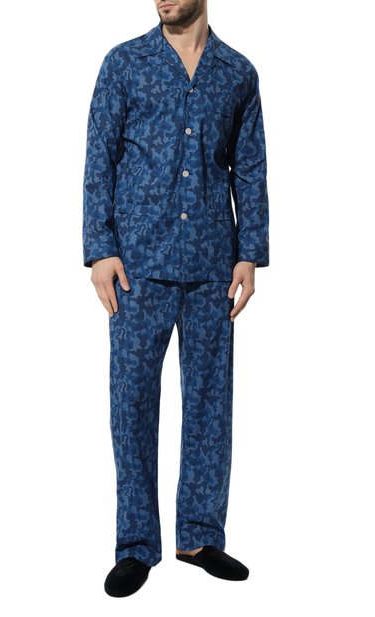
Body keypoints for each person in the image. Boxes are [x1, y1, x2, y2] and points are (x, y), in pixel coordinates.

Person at [82, 0, 269, 598]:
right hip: (136, 266)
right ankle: (137, 544)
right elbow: (99, 158)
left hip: (214, 264)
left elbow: (250, 168)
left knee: (211, 405)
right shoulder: (124, 63)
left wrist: (249, 252)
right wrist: (100, 248)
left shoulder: (237, 73)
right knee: (132, 404)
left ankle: (200, 537)